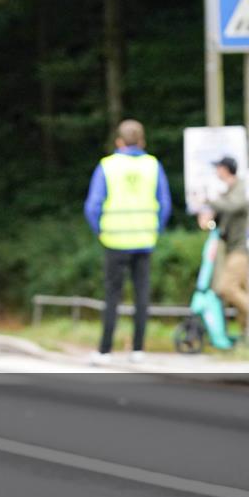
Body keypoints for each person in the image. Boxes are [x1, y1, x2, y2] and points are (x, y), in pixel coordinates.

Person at [84, 119, 172, 364]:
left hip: (114, 240)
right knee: (142, 295)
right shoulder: (153, 165)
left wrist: (100, 231)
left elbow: (92, 206)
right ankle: (138, 350)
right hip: (145, 239)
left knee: (112, 296)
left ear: (119, 142)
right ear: (142, 141)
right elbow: (164, 204)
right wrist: (156, 230)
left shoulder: (107, 166)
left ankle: (105, 351)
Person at [197, 156, 249, 334]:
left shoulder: (240, 189)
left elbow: (233, 206)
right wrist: (209, 218)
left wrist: (208, 200)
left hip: (243, 250)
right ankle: (248, 335)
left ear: (225, 169)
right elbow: (222, 216)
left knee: (226, 288)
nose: (216, 172)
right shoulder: (228, 192)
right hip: (234, 249)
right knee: (241, 291)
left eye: (218, 168)